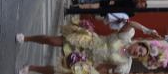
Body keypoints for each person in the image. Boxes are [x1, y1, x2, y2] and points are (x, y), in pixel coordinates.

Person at [16, 19, 149, 74]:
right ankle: (26, 38)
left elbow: (107, 70)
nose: (139, 53)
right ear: (138, 44)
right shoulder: (125, 37)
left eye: (141, 55)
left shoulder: (125, 64)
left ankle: (30, 68)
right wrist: (147, 30)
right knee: (51, 40)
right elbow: (130, 23)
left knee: (58, 70)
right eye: (141, 49)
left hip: (86, 60)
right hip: (86, 41)